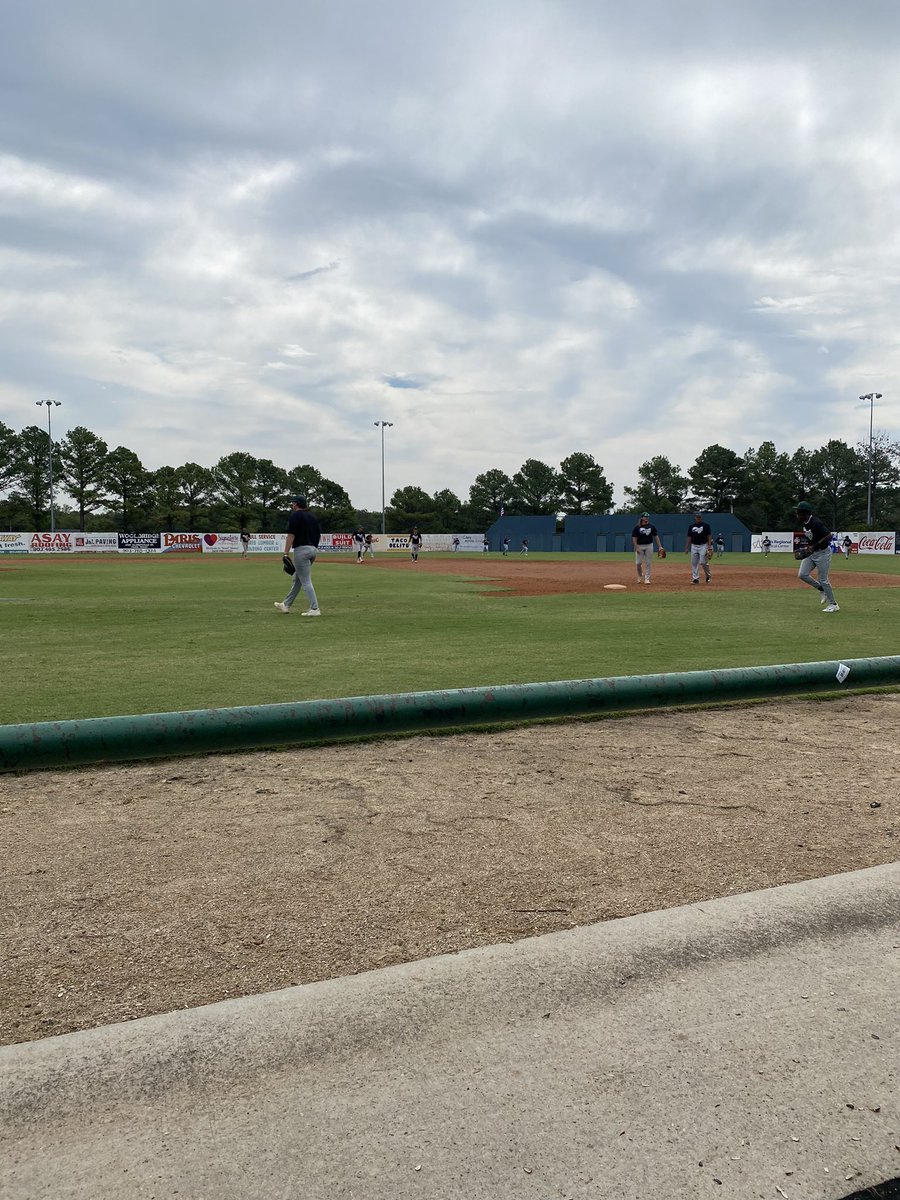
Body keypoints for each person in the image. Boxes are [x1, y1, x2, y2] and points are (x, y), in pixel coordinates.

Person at [274, 497, 321, 616]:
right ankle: (286, 604)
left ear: (296, 504)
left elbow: (291, 535)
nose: (292, 505)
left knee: (305, 581)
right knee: (297, 578)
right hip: (313, 549)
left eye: (293, 503)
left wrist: (285, 553)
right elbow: (318, 534)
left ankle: (315, 609)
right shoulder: (312, 517)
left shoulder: (296, 516)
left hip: (302, 550)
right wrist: (314, 549)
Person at [795, 501, 839, 612]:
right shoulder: (805, 522)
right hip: (812, 553)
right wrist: (808, 548)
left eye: (798, 512)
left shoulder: (815, 523)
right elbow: (812, 537)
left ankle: (833, 604)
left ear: (805, 513)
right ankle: (821, 589)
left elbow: (829, 536)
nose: (797, 514)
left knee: (823, 579)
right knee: (802, 574)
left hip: (823, 553)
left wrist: (814, 546)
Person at [631, 512, 663, 585]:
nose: (647, 518)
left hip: (649, 545)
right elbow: (634, 538)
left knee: (648, 563)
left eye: (648, 517)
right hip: (640, 546)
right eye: (645, 517)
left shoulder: (652, 526)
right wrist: (636, 547)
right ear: (642, 518)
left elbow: (656, 537)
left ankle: (647, 579)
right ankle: (639, 576)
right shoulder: (637, 527)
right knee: (638, 563)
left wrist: (660, 546)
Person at [685, 511, 713, 584]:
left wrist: (709, 546)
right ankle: (695, 579)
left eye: (699, 517)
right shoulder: (691, 526)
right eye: (697, 517)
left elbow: (709, 536)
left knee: (703, 562)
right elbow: (689, 537)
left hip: (703, 545)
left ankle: (708, 576)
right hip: (694, 545)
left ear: (701, 517)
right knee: (694, 563)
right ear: (695, 518)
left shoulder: (706, 526)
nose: (698, 518)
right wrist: (687, 547)